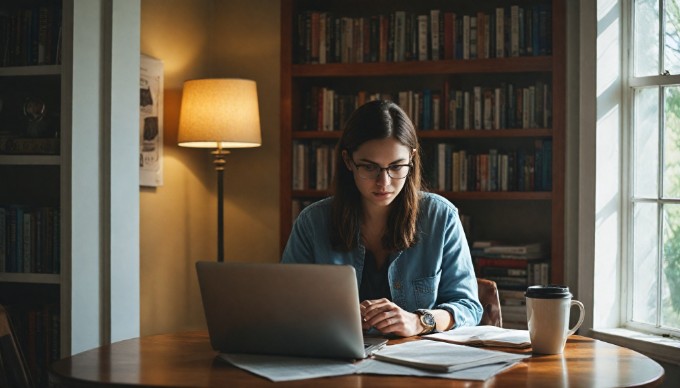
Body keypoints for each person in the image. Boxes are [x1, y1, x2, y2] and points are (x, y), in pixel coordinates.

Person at [281, 100, 482, 337]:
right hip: (336, 360)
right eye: (369, 167)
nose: (384, 182)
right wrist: (336, 316)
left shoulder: (441, 217)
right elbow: (287, 304)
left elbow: (468, 307)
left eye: (396, 167)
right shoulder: (312, 223)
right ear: (348, 161)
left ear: (412, 159)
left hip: (416, 362)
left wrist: (419, 321)